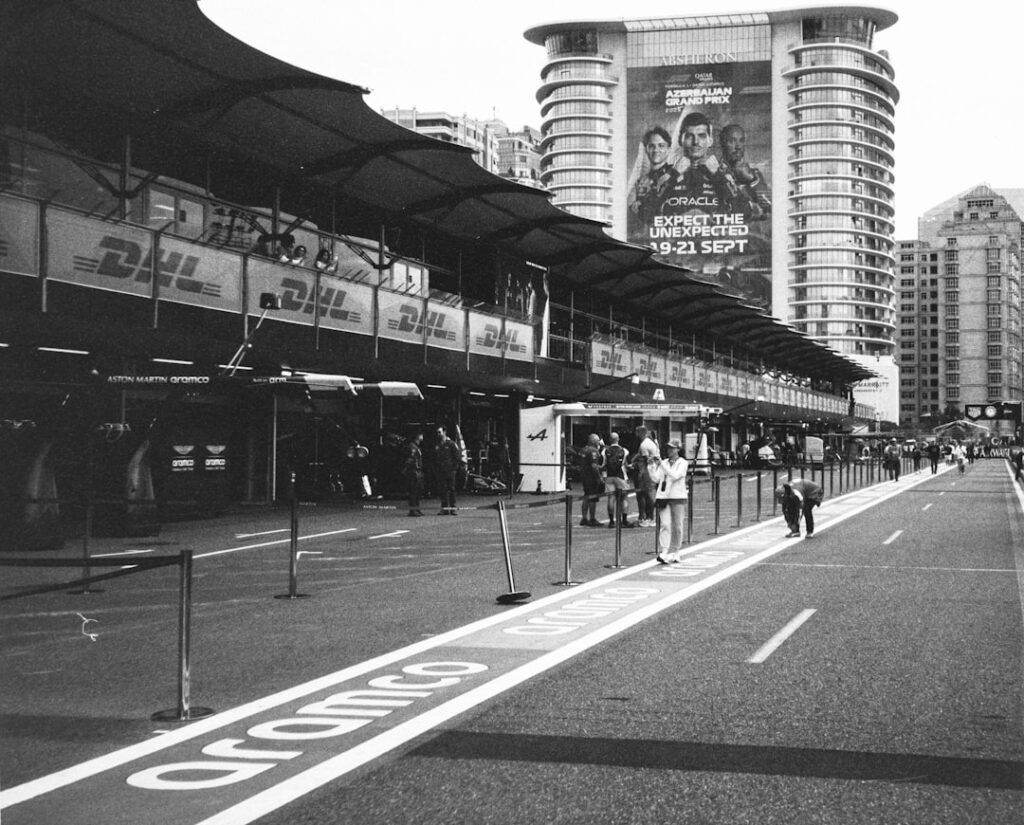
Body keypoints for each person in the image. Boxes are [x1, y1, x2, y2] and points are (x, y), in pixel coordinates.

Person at [671, 112, 732, 213]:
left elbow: (744, 209)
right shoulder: (668, 174)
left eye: (702, 136)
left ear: (710, 140)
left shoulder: (724, 173)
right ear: (680, 140)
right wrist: (674, 174)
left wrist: (717, 175)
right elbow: (645, 212)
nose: (696, 142)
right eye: (689, 136)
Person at [718, 123, 771, 220]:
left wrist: (752, 180)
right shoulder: (713, 173)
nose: (738, 146)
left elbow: (769, 207)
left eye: (741, 141)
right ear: (722, 143)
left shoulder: (754, 174)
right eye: (732, 141)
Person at [627, 126, 680, 223]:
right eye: (651, 146)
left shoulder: (677, 173)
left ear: (669, 149)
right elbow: (637, 214)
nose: (656, 150)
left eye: (661, 145)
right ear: (646, 149)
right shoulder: (640, 182)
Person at [652, 438, 689, 563]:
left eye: (672, 448)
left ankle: (676, 551)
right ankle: (664, 551)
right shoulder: (665, 462)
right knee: (665, 524)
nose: (669, 450)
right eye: (668, 448)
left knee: (677, 525)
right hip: (663, 496)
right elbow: (656, 478)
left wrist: (661, 464)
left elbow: (675, 476)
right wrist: (651, 465)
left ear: (678, 449)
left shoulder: (683, 463)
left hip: (678, 496)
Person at [602, 432, 634, 528]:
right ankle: (624, 520)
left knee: (611, 498)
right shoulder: (625, 451)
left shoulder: (604, 451)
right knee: (624, 498)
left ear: (610, 440)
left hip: (609, 476)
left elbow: (603, 464)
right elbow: (626, 464)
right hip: (621, 476)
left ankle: (611, 521)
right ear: (618, 439)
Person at [632, 425, 661, 527]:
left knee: (647, 495)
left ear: (640, 433)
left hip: (647, 473)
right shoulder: (651, 442)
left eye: (636, 432)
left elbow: (645, 461)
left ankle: (650, 518)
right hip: (654, 471)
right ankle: (650, 517)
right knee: (649, 494)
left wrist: (641, 475)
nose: (635, 435)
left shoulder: (644, 445)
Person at [434, 425, 466, 515]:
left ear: (444, 432)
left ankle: (452, 508)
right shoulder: (438, 445)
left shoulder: (451, 444)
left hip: (450, 471)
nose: (438, 434)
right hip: (441, 471)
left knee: (451, 489)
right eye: (437, 432)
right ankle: (444, 508)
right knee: (443, 490)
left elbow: (457, 457)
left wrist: (454, 468)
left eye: (439, 432)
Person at [577, 433, 605, 527]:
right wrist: (599, 478)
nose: (598, 442)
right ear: (592, 441)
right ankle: (592, 518)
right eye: (597, 440)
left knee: (586, 496)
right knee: (593, 498)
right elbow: (594, 466)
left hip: (584, 476)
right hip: (591, 477)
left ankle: (584, 518)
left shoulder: (583, 450)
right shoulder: (593, 451)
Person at [402, 431, 424, 517]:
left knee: (418, 490)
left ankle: (417, 508)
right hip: (413, 471)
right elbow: (410, 459)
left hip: (418, 470)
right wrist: (406, 469)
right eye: (421, 435)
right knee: (413, 491)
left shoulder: (417, 446)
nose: (422, 437)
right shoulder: (413, 447)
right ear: (418, 436)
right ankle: (412, 510)